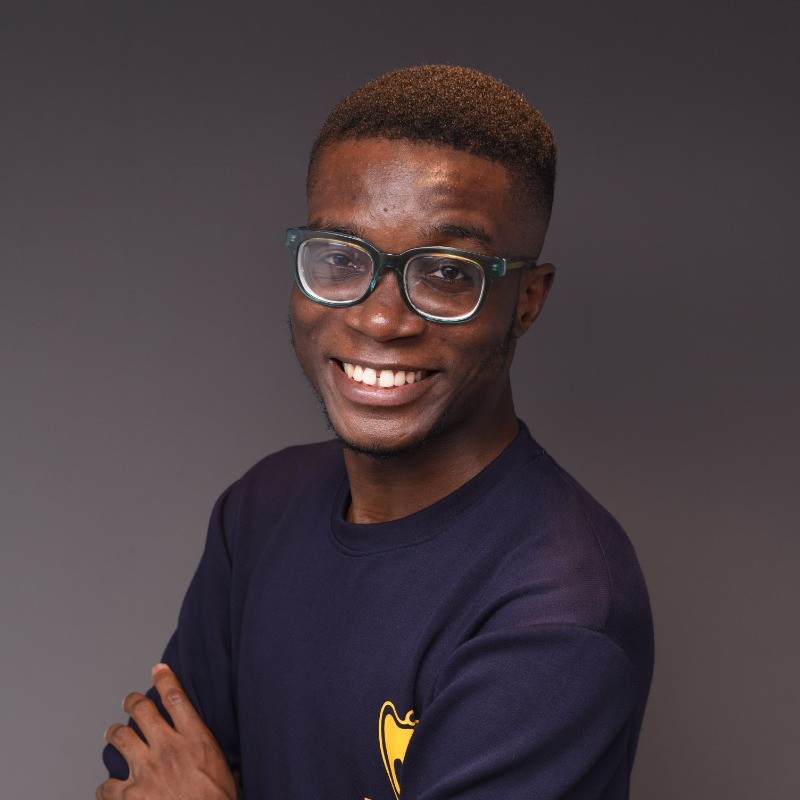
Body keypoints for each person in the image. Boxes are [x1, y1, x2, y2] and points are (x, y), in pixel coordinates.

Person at [98, 64, 653, 800]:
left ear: (526, 299)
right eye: (338, 259)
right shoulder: (260, 512)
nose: (380, 319)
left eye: (448, 272)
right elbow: (135, 786)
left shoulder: (559, 609)